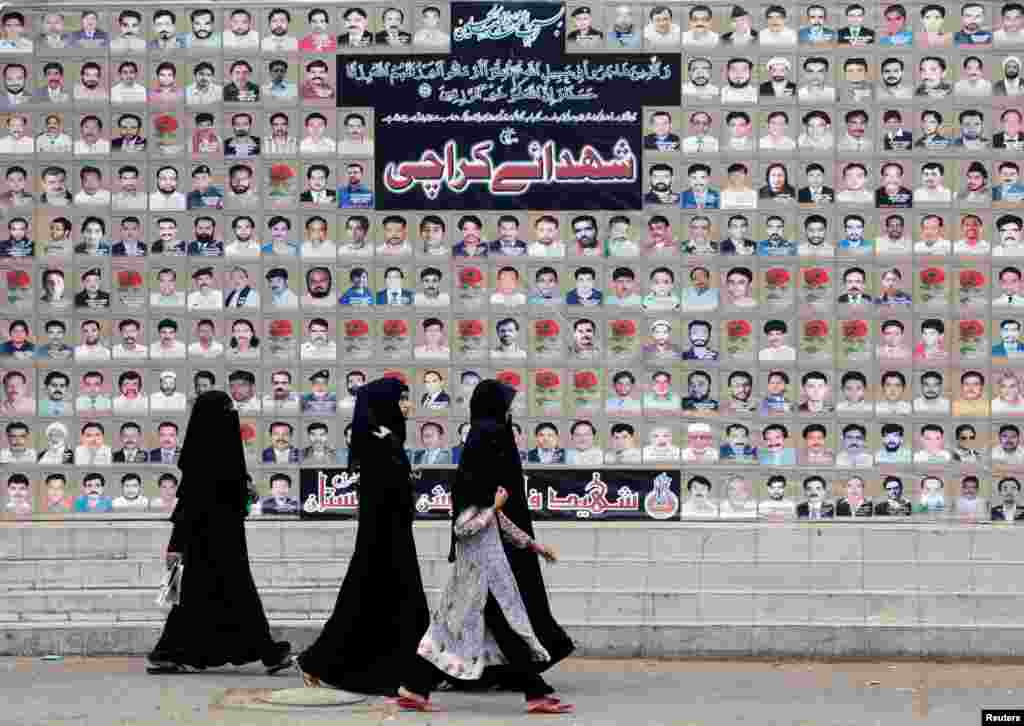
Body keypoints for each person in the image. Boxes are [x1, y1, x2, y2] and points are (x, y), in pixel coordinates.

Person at [397, 380, 573, 714]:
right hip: (479, 569)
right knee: (501, 627)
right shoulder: (474, 480)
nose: (509, 414)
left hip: (489, 566)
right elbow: (465, 527)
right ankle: (533, 694)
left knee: (458, 628)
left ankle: (415, 688)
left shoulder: (483, 476)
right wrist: (494, 505)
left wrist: (534, 546)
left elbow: (496, 520)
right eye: (505, 406)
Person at [295, 377, 427, 690]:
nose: (408, 405)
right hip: (382, 539)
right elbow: (384, 492)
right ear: (385, 404)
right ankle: (318, 662)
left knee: (385, 607)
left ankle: (416, 671)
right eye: (402, 399)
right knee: (368, 605)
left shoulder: (388, 437)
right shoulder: (378, 441)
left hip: (392, 536)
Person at [148, 390, 292, 675]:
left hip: (207, 541)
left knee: (197, 599)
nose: (232, 415)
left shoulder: (201, 458)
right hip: (214, 543)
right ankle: (268, 653)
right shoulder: (212, 460)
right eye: (226, 409)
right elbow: (216, 502)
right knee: (235, 595)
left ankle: (167, 652)